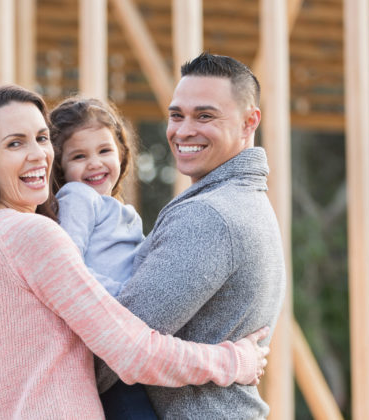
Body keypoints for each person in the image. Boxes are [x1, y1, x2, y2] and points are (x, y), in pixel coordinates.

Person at [0, 85, 270, 419]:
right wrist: (234, 361)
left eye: (42, 137)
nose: (38, 154)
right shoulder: (30, 235)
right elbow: (132, 351)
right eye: (15, 143)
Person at [95, 52, 287, 419]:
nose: (183, 131)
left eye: (205, 116)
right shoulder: (245, 203)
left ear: (250, 122)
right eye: (176, 115)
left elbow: (117, 346)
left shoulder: (210, 216)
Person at [50, 97, 156, 418]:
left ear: (121, 154)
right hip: (105, 340)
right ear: (61, 168)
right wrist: (121, 300)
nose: (94, 163)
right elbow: (70, 267)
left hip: (123, 340)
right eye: (79, 156)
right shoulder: (77, 198)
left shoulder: (125, 212)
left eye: (104, 151)